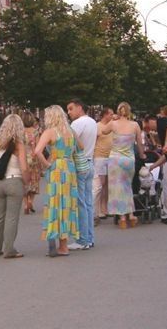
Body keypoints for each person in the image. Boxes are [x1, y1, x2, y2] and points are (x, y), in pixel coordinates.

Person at [34, 105, 80, 257]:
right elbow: (81, 147)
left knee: (55, 204)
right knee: (67, 205)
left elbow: (37, 151)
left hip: (57, 169)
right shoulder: (70, 132)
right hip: (69, 167)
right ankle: (64, 245)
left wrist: (47, 164)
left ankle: (54, 236)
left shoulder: (50, 132)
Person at [0, 114, 30, 258]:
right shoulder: (18, 144)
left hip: (0, 183)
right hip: (14, 181)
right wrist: (26, 182)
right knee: (12, 217)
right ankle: (9, 249)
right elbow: (24, 168)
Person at [101, 102, 146, 229]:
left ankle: (122, 218)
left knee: (117, 188)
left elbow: (104, 131)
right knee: (127, 187)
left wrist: (113, 118)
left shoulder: (113, 124)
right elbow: (139, 143)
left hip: (115, 159)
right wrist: (142, 155)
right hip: (128, 159)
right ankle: (131, 215)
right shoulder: (135, 125)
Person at [66, 99, 97, 250]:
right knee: (88, 202)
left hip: (79, 163)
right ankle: (89, 237)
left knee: (80, 203)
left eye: (71, 109)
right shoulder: (92, 122)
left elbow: (69, 144)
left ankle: (83, 239)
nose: (69, 112)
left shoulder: (77, 124)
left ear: (79, 107)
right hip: (90, 161)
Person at [93, 107, 114, 223]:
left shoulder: (112, 126)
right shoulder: (98, 126)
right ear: (105, 115)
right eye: (110, 114)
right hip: (100, 156)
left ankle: (105, 207)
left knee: (108, 184)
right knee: (100, 183)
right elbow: (94, 140)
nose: (112, 116)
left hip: (110, 156)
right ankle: (99, 209)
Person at [21, 111, 42, 214]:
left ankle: (25, 203)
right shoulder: (36, 132)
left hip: (23, 159)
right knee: (34, 181)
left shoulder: (20, 132)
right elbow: (38, 147)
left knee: (24, 182)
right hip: (34, 159)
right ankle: (31, 201)